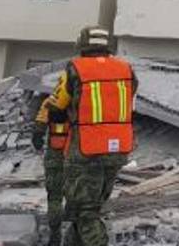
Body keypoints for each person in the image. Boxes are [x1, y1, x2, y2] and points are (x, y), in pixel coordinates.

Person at [47, 27, 137, 246]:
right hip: (117, 150)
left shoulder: (75, 69)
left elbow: (57, 108)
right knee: (88, 208)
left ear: (82, 45)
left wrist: (57, 143)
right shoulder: (126, 69)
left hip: (85, 151)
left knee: (86, 212)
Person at [33, 93, 72, 246]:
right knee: (76, 197)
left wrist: (38, 138)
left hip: (55, 155)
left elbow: (38, 131)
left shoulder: (50, 102)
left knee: (54, 197)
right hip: (76, 156)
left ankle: (55, 236)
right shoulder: (79, 101)